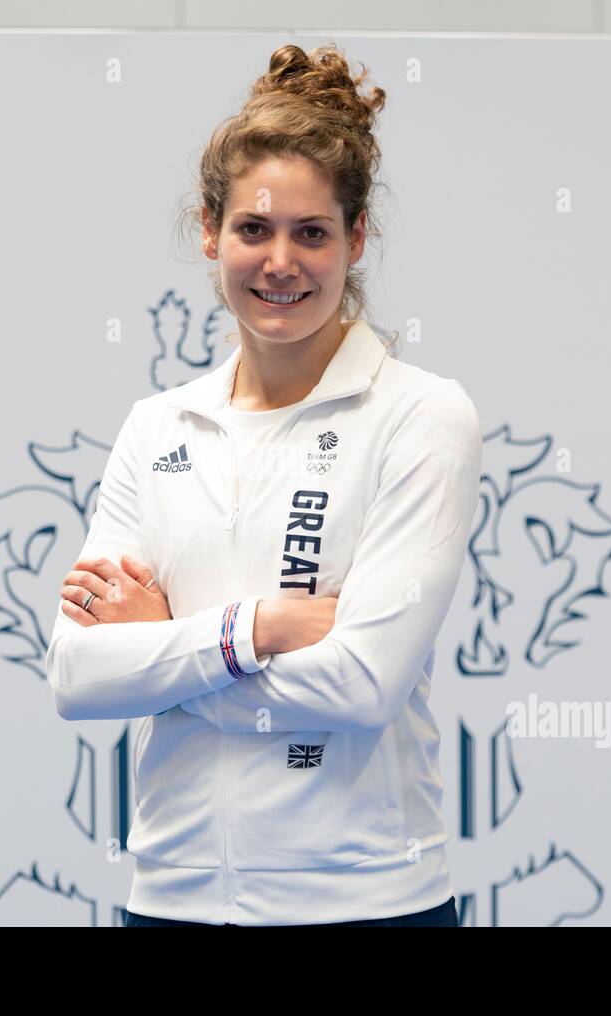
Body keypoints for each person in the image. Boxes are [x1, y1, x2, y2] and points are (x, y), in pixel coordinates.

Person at [46, 42, 482, 928]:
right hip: (171, 898)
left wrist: (163, 650)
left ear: (356, 238)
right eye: (254, 229)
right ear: (210, 231)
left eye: (311, 233)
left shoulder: (422, 414)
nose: (281, 261)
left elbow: (361, 687)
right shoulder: (158, 426)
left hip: (367, 902)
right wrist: (259, 628)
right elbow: (80, 675)